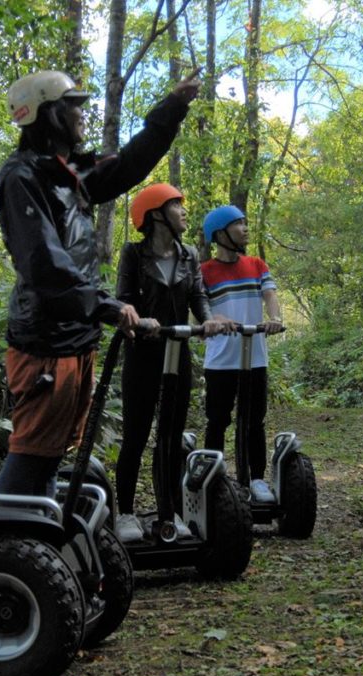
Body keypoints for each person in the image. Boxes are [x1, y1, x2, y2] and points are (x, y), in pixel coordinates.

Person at [0, 70, 200, 498]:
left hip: (76, 336)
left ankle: (35, 544)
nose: (82, 114)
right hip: (45, 343)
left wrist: (173, 107)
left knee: (53, 450)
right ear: (49, 114)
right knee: (34, 449)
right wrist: (107, 305)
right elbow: (44, 264)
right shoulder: (22, 179)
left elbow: (128, 164)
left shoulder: (70, 176)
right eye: (73, 106)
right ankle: (6, 546)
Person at [112, 183, 225, 542]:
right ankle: (126, 512)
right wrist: (140, 321)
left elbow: (198, 296)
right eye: (177, 206)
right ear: (156, 214)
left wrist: (208, 319)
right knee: (136, 434)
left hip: (179, 353)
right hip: (143, 354)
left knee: (172, 437)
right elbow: (124, 299)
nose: (184, 211)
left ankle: (169, 512)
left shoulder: (189, 254)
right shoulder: (133, 253)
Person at [200, 205, 283, 502]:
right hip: (221, 361)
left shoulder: (257, 264)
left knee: (254, 420)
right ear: (220, 234)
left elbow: (270, 295)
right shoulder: (205, 272)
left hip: (255, 358)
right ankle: (214, 478)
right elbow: (201, 311)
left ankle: (256, 479)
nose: (246, 228)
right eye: (239, 224)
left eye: (246, 223)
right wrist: (216, 321)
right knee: (218, 420)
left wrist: (274, 319)